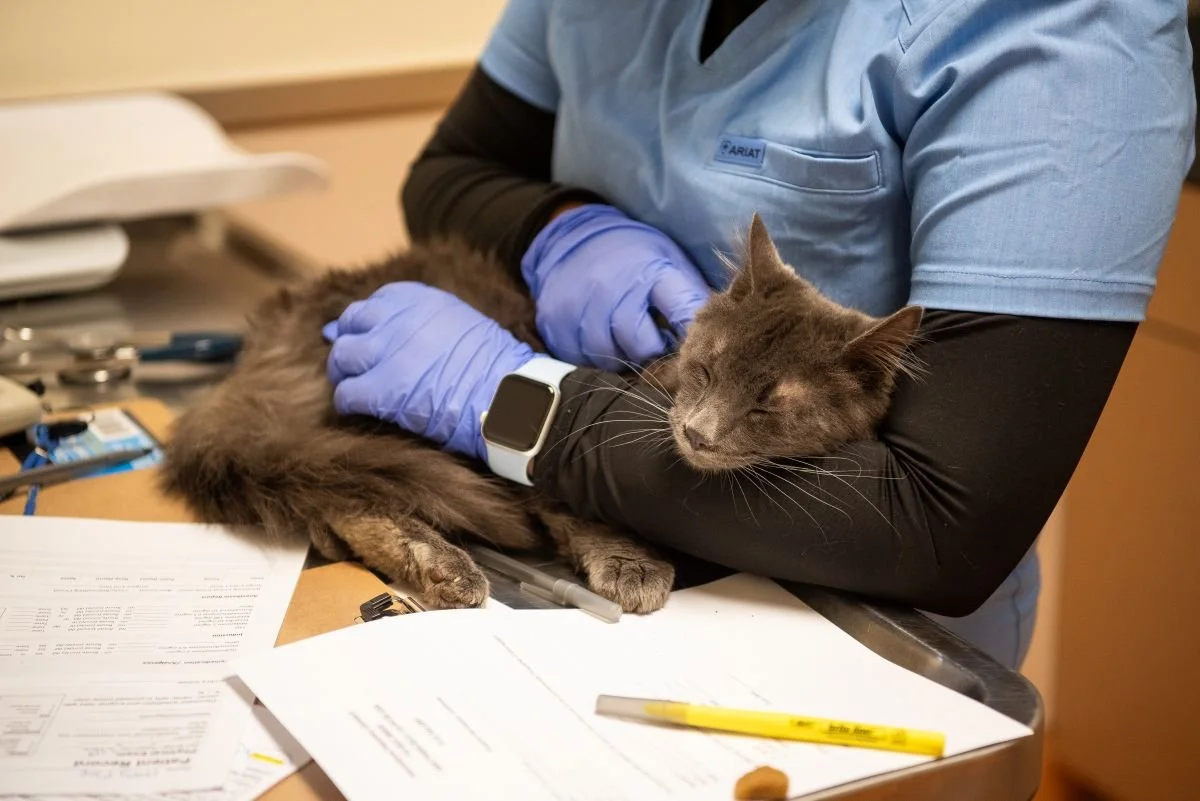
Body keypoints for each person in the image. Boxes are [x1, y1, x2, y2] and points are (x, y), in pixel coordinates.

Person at [322, 0, 1197, 669]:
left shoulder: (1062, 31)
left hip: (856, 621)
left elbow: (943, 522)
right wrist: (560, 228)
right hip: (602, 544)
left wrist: (521, 406)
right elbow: (450, 171)